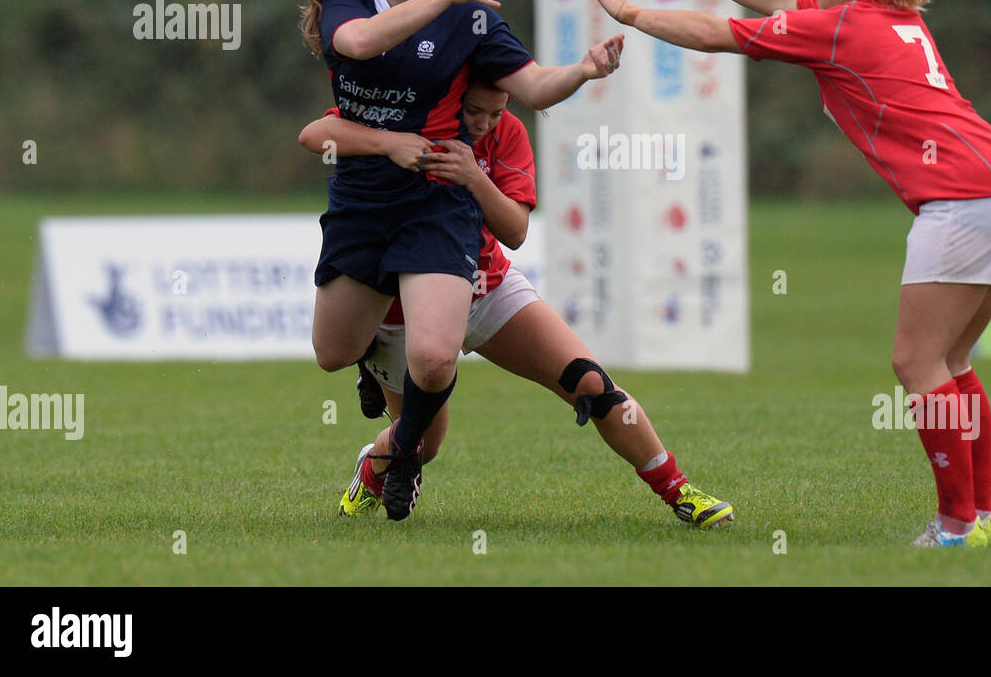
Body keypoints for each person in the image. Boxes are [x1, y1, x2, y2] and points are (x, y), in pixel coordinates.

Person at [573, 0, 991, 547]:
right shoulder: (896, 20)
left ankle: (956, 526)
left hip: (962, 197)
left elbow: (718, 35)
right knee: (952, 361)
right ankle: (979, 518)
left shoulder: (842, 28)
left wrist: (631, 15)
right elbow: (783, 0)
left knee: (917, 362)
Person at [301, 0, 623, 520]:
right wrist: (388, 142)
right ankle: (372, 370)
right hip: (364, 203)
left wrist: (582, 72)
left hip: (434, 202)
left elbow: (532, 88)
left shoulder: (470, 18)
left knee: (433, 354)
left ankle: (400, 460)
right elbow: (360, 45)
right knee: (333, 354)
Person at [298, 73, 734, 527]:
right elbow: (316, 134)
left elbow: (516, 231)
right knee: (425, 446)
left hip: (486, 287)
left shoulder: (507, 134)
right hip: (403, 312)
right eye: (474, 112)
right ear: (452, 96)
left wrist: (473, 176)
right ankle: (373, 464)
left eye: (498, 111)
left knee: (590, 384)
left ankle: (679, 491)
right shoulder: (415, 116)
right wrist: (385, 144)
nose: (486, 123)